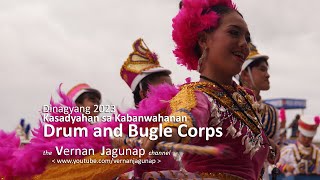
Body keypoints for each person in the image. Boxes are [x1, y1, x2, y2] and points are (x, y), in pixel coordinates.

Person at [142, 0, 279, 179]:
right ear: (203, 40)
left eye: (247, 37)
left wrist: (267, 144)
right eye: (234, 33)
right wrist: (169, 131)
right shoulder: (197, 95)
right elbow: (188, 117)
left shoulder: (245, 99)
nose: (244, 44)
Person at [119, 38, 179, 179]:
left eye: (172, 85)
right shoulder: (127, 129)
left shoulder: (180, 116)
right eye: (165, 86)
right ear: (144, 93)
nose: (174, 91)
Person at [239, 43, 280, 179]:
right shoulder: (227, 105)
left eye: (267, 70)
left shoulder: (272, 112)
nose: (267, 75)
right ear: (245, 74)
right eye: (262, 69)